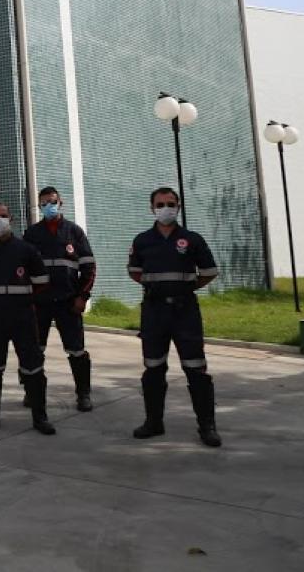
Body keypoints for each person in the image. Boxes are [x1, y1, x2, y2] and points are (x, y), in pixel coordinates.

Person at [129, 187, 222, 447]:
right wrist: (158, 287)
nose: (165, 208)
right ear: (152, 208)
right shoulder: (142, 240)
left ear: (178, 207)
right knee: (153, 367)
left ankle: (207, 427)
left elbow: (209, 271)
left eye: (171, 203)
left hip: (185, 312)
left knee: (196, 369)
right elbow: (135, 272)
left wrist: (184, 287)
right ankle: (153, 422)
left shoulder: (192, 239)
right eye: (160, 204)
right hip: (154, 312)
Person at [0, 203, 55, 434]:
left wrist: (21, 298)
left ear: (11, 219)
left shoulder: (26, 250)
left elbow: (41, 282)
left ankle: (40, 418)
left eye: (3, 216)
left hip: (23, 316)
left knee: (33, 368)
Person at [22, 186, 98, 412]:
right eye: (43, 203)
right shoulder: (32, 234)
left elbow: (89, 267)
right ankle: (31, 392)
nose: (48, 206)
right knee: (34, 350)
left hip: (68, 302)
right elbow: (23, 269)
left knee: (76, 350)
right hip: (39, 303)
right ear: (39, 206)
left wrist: (83, 296)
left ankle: (83, 394)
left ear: (60, 202)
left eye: (52, 202)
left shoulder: (74, 232)